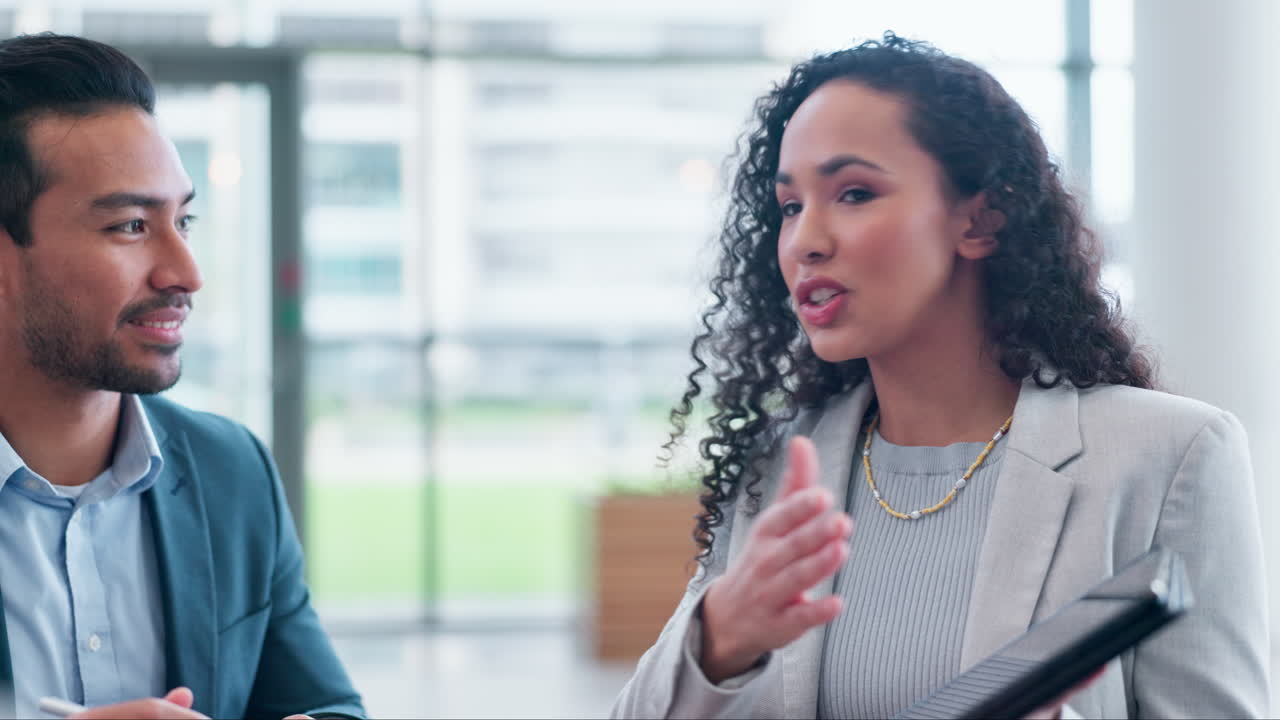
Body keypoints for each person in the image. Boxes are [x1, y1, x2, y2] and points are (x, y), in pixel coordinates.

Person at [612, 33, 1269, 719]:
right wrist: (720, 637)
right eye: (790, 207)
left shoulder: (1171, 456)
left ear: (979, 222)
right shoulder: (779, 472)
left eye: (855, 192)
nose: (806, 239)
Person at [0, 33, 364, 720]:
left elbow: (330, 706)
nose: (186, 274)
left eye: (183, 220)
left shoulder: (232, 471)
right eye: (132, 226)